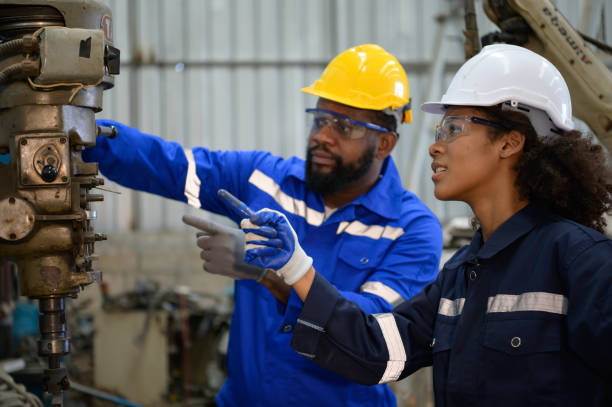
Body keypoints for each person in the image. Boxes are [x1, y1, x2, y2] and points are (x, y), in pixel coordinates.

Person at [238, 44, 612, 406]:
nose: (435, 146)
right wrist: (296, 269)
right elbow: (377, 350)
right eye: (438, 132)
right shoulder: (460, 276)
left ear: (510, 142)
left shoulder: (580, 262)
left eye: (453, 128)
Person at [83, 44, 443, 407]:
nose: (322, 136)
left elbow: (366, 329)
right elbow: (170, 165)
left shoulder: (411, 231)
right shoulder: (264, 179)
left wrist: (265, 273)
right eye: (319, 119)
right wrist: (83, 133)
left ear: (385, 143)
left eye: (344, 127)